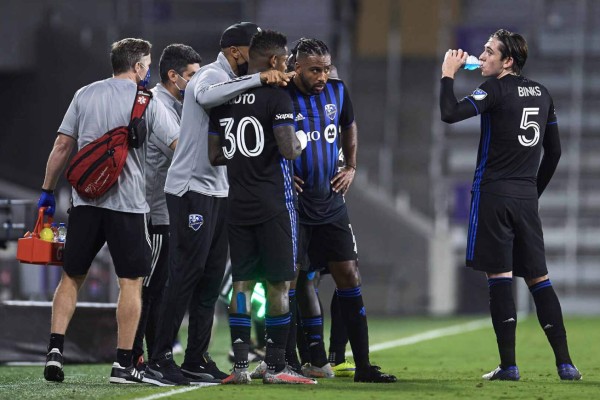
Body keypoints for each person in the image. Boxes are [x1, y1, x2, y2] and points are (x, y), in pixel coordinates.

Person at [146, 22, 292, 385]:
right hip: (189, 189)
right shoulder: (208, 75)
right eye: (251, 49)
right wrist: (260, 80)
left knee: (211, 281)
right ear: (235, 52)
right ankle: (159, 357)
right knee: (185, 274)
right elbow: (207, 97)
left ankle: (196, 357)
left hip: (219, 191)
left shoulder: (242, 85)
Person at [440, 29, 581, 381]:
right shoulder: (543, 92)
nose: (482, 56)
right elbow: (556, 151)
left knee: (500, 276)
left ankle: (509, 366)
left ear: (508, 62)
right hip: (524, 199)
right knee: (539, 278)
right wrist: (534, 191)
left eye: (489, 52)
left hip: (493, 196)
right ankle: (565, 363)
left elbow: (449, 113)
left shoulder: (494, 89)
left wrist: (447, 74)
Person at [38, 38, 179, 385]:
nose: (147, 71)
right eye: (146, 65)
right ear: (138, 67)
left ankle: (55, 350)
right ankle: (122, 364)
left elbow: (62, 145)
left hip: (85, 202)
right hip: (128, 206)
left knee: (71, 277)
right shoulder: (146, 100)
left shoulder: (84, 93)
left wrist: (47, 191)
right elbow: (178, 146)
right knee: (130, 283)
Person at [283, 38, 396, 383]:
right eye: (314, 69)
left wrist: (352, 166)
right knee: (292, 281)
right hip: (295, 207)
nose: (322, 75)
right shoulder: (281, 94)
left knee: (349, 274)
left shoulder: (337, 90)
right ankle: (289, 361)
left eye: (326, 68)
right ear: (295, 67)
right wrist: (283, 174)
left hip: (331, 203)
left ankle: (362, 366)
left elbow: (349, 125)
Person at [208, 29, 314, 385]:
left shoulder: (225, 98)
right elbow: (288, 150)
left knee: (240, 284)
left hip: (237, 202)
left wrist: (245, 160)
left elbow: (214, 153)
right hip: (274, 203)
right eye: (285, 60)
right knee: (278, 286)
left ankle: (239, 369)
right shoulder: (277, 98)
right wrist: (301, 138)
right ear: (273, 61)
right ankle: (276, 365)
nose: (286, 66)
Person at [132, 43, 201, 370]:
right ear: (173, 76)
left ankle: (149, 357)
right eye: (191, 76)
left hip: (160, 208)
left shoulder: (171, 102)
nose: (195, 83)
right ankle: (139, 356)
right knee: (149, 288)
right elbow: (182, 151)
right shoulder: (159, 105)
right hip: (153, 210)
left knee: (156, 287)